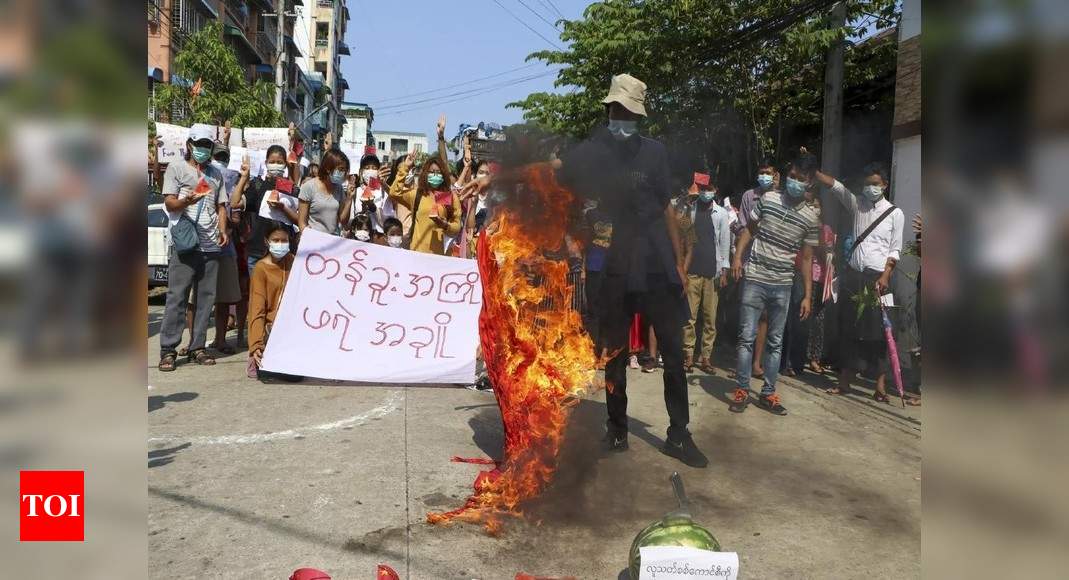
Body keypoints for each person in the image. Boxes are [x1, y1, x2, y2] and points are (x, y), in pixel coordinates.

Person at [553, 74, 705, 466]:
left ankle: (678, 433)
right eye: (616, 110)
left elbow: (667, 207)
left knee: (672, 350)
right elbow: (562, 182)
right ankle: (616, 428)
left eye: (628, 112)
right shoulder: (592, 150)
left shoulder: (655, 153)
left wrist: (677, 260)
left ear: (638, 115)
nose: (621, 117)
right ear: (608, 110)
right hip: (615, 260)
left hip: (655, 260)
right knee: (615, 351)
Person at [730, 153, 822, 415]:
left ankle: (768, 393)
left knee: (775, 342)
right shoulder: (768, 199)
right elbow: (749, 229)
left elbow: (806, 258)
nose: (793, 182)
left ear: (809, 183)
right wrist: (738, 258)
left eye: (799, 179)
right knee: (746, 337)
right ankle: (742, 389)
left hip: (783, 284)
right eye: (791, 176)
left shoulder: (811, 218)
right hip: (755, 278)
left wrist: (806, 294)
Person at [814, 162, 904, 403]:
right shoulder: (857, 205)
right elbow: (838, 188)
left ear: (884, 185)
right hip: (854, 277)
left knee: (882, 332)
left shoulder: (895, 213)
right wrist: (815, 172)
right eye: (867, 184)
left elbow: (895, 249)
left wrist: (885, 276)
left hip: (880, 280)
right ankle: (844, 382)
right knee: (849, 329)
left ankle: (880, 387)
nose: (870, 188)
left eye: (875, 184)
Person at [158, 123, 230, 371]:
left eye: (207, 145)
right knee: (177, 297)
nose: (203, 149)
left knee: (206, 299)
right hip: (186, 243)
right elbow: (169, 204)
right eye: (199, 144)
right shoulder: (176, 168)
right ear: (189, 144)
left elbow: (222, 206)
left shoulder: (216, 174)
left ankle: (197, 346)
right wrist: (185, 200)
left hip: (211, 244)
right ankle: (168, 349)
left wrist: (222, 230)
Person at [676, 174, 731, 374]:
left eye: (710, 189)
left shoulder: (721, 214)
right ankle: (688, 355)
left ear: (715, 190)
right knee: (689, 317)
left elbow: (725, 243)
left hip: (712, 271)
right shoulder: (690, 209)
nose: (706, 192)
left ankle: (706, 357)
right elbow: (680, 232)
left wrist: (724, 271)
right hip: (692, 271)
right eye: (703, 189)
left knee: (710, 318)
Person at [735, 161, 779, 379]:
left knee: (764, 317)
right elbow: (743, 226)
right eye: (761, 173)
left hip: (772, 264)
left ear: (775, 175)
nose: (764, 176)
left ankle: (756, 363)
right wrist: (738, 259)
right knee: (747, 315)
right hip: (750, 262)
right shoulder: (748, 196)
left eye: (768, 173)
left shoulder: (782, 198)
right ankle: (742, 364)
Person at [231, 145, 299, 274]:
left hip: (284, 251)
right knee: (258, 293)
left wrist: (283, 208)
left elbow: (298, 220)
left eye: (279, 162)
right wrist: (244, 177)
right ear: (266, 163)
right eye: (272, 162)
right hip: (258, 251)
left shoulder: (291, 188)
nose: (275, 165)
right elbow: (234, 204)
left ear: (285, 165)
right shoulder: (258, 184)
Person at [388, 150, 461, 255]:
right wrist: (405, 167)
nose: (435, 175)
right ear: (426, 174)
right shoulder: (418, 194)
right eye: (431, 172)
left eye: (438, 172)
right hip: (417, 254)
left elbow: (456, 227)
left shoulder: (450, 196)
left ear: (444, 175)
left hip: (441, 257)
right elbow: (394, 193)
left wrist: (445, 225)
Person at [247, 223, 295, 380]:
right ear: (267, 241)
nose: (280, 244)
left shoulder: (293, 262)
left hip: (291, 329)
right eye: (276, 240)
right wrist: (256, 345)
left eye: (284, 240)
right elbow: (257, 309)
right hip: (271, 330)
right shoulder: (261, 269)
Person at [298, 148, 351, 235]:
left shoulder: (339, 189)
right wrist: (307, 237)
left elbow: (343, 220)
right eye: (340, 169)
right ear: (328, 168)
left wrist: (349, 199)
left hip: (333, 240)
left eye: (344, 170)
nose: (343, 173)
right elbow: (302, 223)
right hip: (314, 240)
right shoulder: (308, 187)